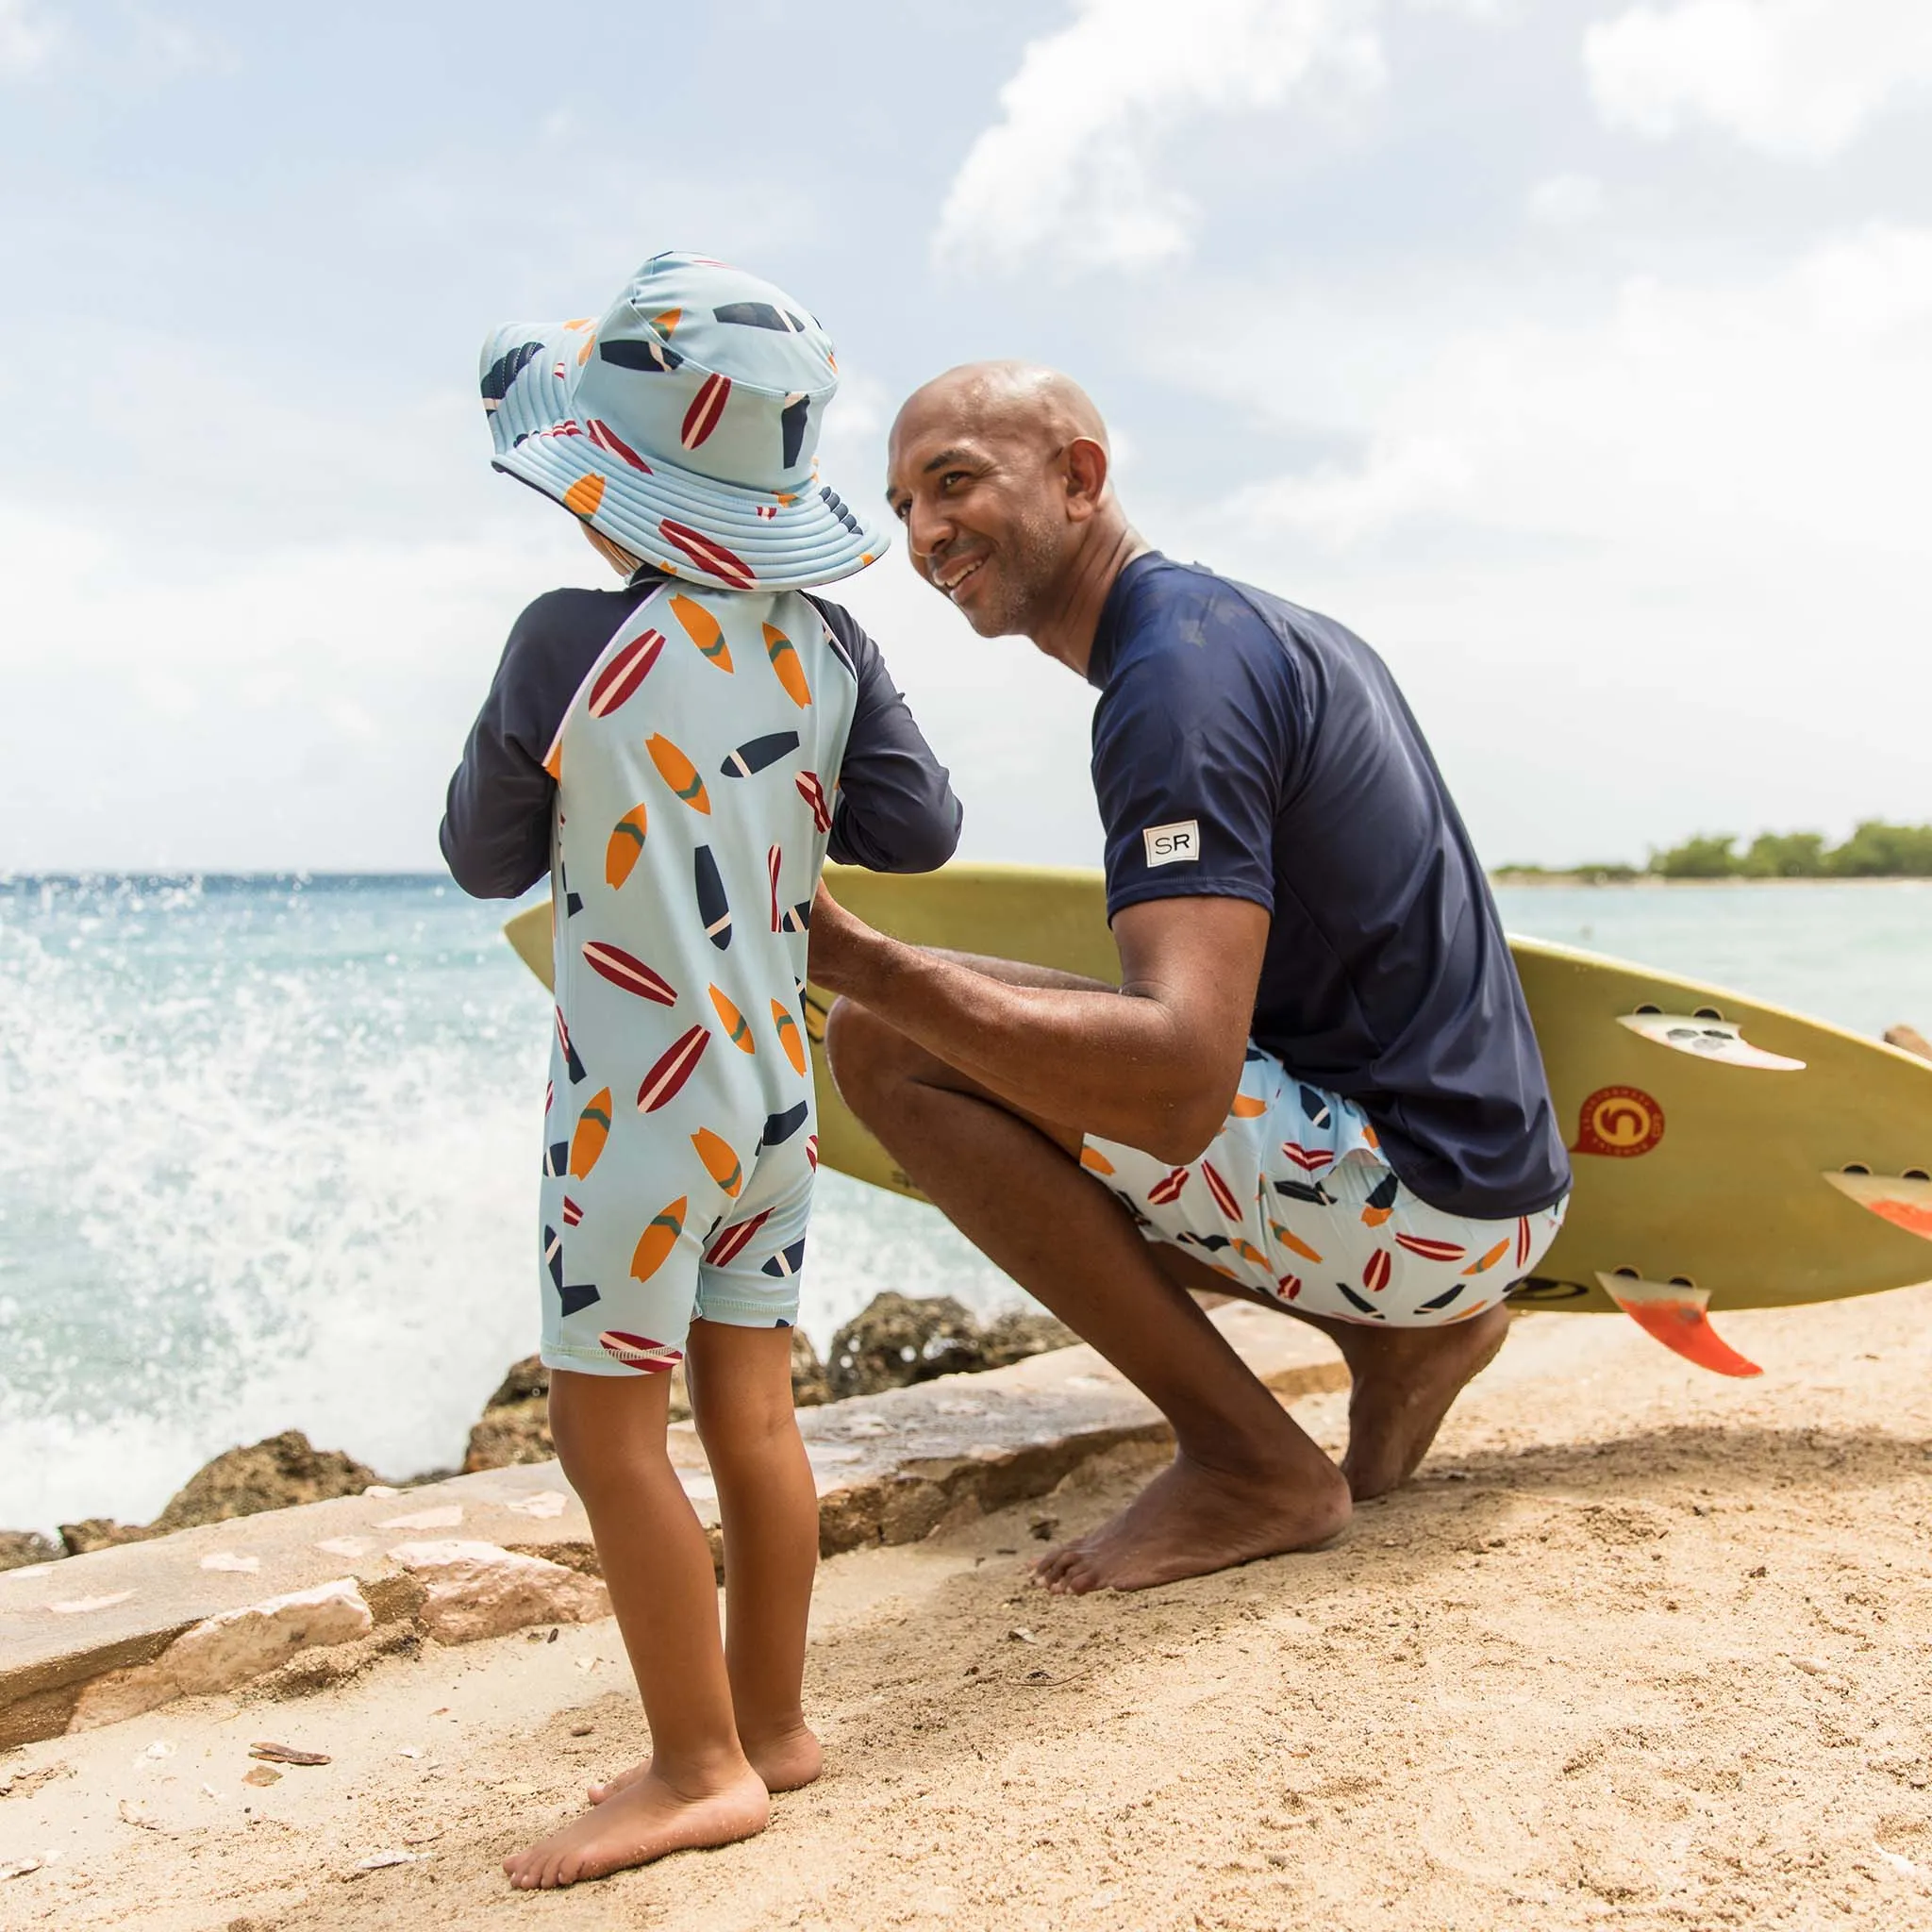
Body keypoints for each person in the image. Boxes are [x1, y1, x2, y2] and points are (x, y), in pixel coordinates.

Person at [810, 361, 1571, 1596]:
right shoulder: (1240, 631)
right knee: (1006, 1035)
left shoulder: (1174, 685)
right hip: (1488, 1188)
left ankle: (1249, 1462)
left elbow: (1176, 1087)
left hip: (1426, 1201)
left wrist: (857, 960)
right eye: (901, 506)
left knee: (885, 1044)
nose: (924, 534)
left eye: (953, 483)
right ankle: (1396, 1341)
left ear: (1078, 476)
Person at [440, 254, 959, 1889]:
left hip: (633, 1102)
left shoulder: (562, 642)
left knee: (609, 1435)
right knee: (753, 1408)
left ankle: (694, 1766)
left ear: (617, 483)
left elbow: (478, 858)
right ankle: (772, 1724)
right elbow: (922, 832)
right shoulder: (833, 649)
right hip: (779, 1097)